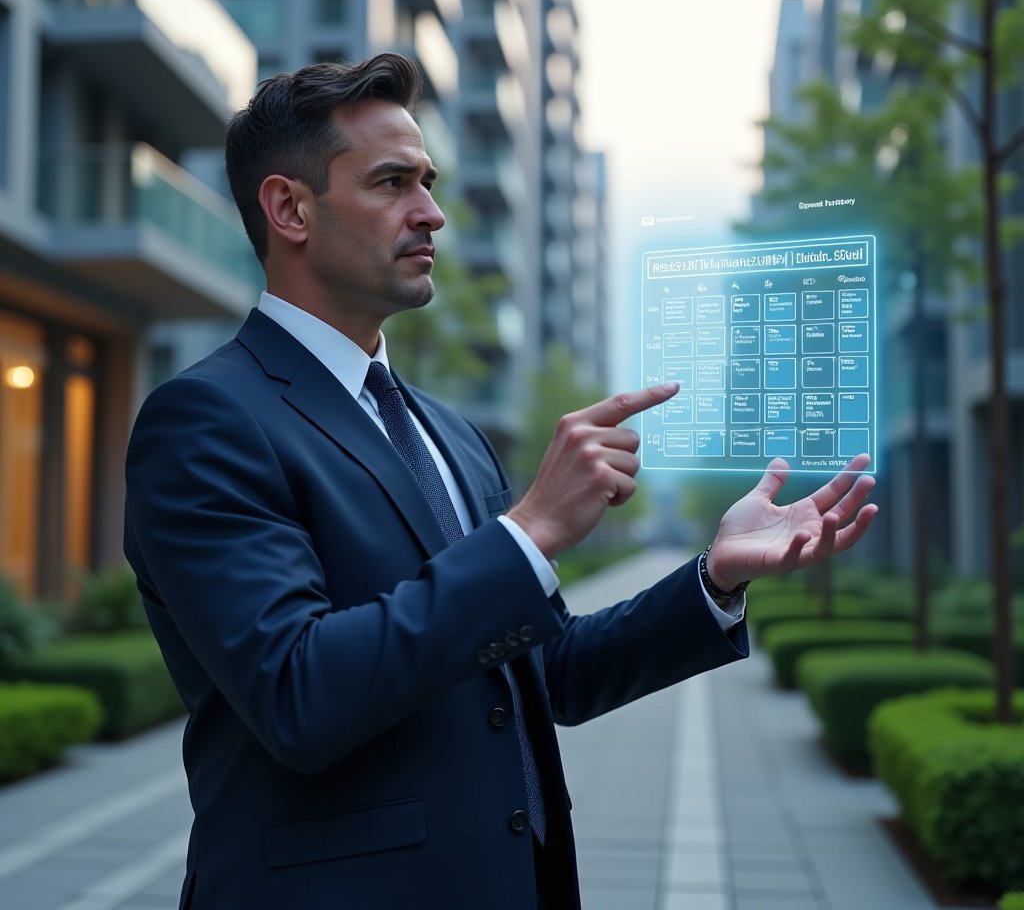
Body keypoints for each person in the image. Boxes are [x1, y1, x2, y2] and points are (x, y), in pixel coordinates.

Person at [123, 53, 877, 910]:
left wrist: (716, 576)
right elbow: (298, 693)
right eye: (392, 183)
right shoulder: (205, 420)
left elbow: (541, 674)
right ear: (290, 209)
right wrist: (531, 532)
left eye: (430, 181)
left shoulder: (447, 432)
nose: (432, 213)